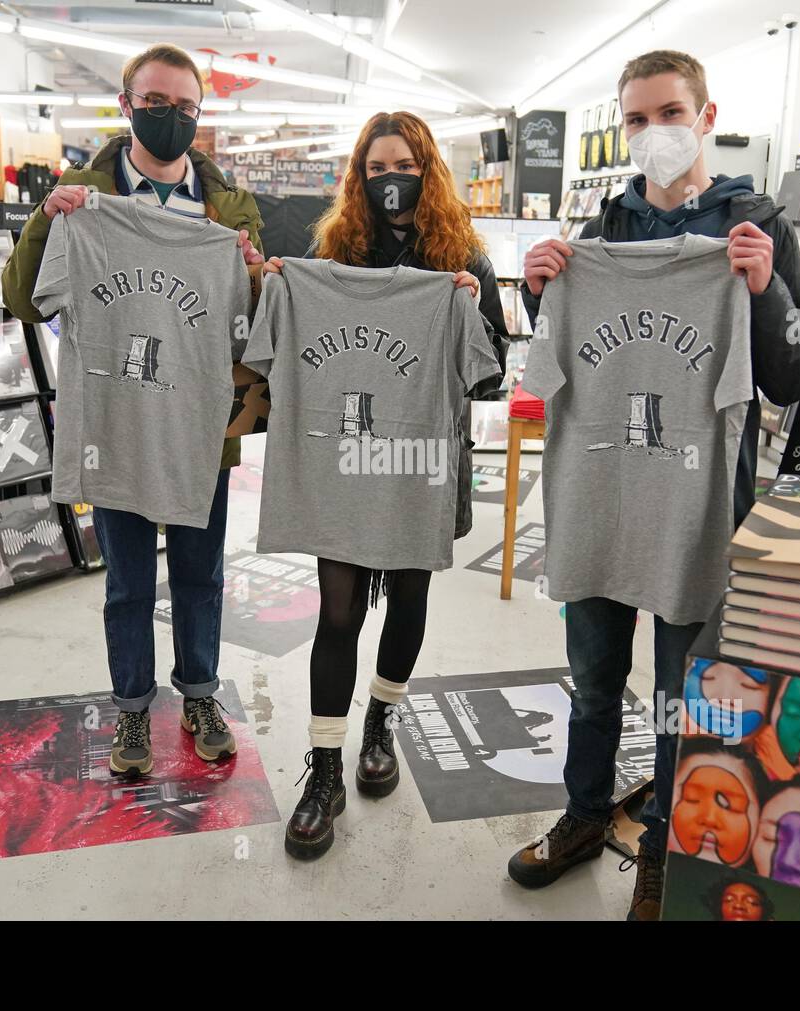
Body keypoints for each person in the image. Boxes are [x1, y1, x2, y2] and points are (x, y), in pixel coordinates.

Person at [507, 49, 800, 919]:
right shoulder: (602, 233)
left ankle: (664, 854)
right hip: (604, 496)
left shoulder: (756, 227)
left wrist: (760, 289)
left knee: (687, 694)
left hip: (701, 503)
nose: (654, 134)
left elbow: (794, 373)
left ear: (707, 115)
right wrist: (543, 295)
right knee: (595, 676)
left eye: (669, 113)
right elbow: (558, 365)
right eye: (636, 120)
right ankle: (582, 812)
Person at [2, 43, 265, 774]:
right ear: (126, 104)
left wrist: (251, 268)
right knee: (125, 579)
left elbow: (255, 320)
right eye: (155, 102)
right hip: (115, 422)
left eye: (185, 106)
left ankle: (201, 692)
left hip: (198, 426)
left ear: (199, 113)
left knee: (199, 571)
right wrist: (48, 220)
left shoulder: (227, 207)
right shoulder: (86, 197)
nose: (169, 116)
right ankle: (129, 710)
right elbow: (24, 298)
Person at [262, 111, 508, 859]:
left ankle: (381, 720)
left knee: (408, 596)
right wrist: (278, 287)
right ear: (358, 178)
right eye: (374, 169)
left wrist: (471, 303)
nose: (388, 179)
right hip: (343, 458)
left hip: (420, 460)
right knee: (337, 610)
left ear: (426, 167)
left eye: (401, 164)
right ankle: (326, 768)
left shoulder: (462, 251)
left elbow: (491, 372)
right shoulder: (333, 249)